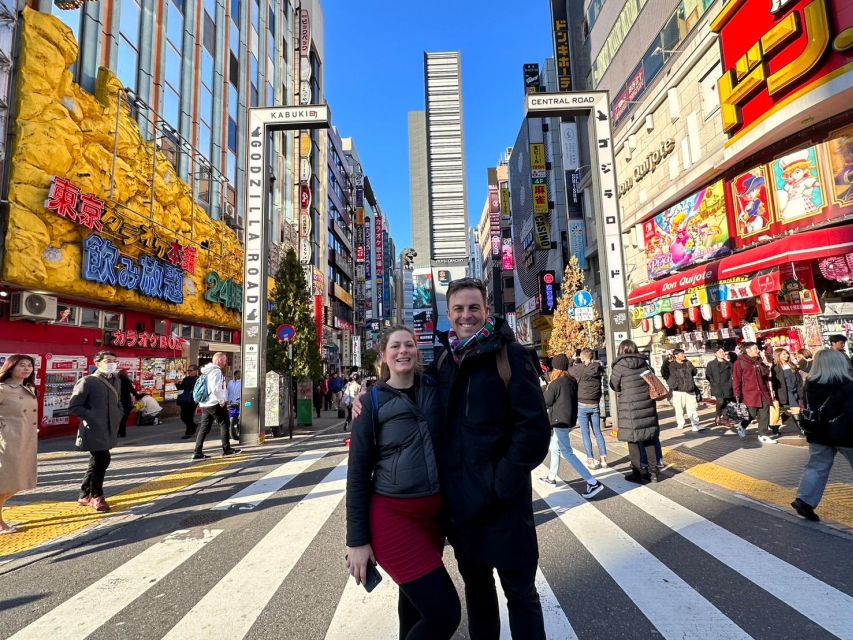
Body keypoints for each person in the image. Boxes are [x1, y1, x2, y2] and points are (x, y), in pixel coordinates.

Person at [432, 278, 550, 639]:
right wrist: (368, 403)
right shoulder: (444, 362)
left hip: (505, 508)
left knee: (521, 595)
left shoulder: (509, 354)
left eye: (473, 308)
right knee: (478, 594)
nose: (466, 315)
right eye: (459, 309)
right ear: (448, 315)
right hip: (464, 510)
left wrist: (501, 481)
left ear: (486, 311)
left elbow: (534, 430)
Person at [346, 326, 460, 640]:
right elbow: (357, 476)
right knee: (445, 613)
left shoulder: (434, 389)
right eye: (395, 346)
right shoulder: (371, 403)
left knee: (414, 606)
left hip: (432, 521)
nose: (403, 351)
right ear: (383, 355)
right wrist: (357, 541)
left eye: (409, 345)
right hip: (394, 519)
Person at [791, 349, 853, 522]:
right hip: (845, 434)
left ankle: (804, 500)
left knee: (817, 467)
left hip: (818, 432)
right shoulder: (847, 385)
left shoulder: (810, 384)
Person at [539, 354, 604, 499]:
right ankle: (551, 477)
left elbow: (546, 401)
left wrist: (544, 388)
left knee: (567, 452)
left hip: (559, 421)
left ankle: (592, 482)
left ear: (555, 367)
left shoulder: (556, 383)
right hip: (569, 420)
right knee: (554, 448)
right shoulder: (571, 380)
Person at [68, 351, 124, 512]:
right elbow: (74, 406)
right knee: (103, 459)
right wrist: (92, 417)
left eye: (115, 360)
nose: (112, 363)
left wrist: (119, 413)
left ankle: (84, 494)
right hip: (93, 428)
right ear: (97, 363)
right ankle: (97, 495)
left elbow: (118, 401)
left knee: (96, 461)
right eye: (108, 360)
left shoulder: (116, 380)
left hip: (110, 427)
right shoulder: (87, 381)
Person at [609, 340, 661, 483]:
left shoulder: (619, 365)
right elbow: (652, 378)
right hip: (646, 404)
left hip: (629, 407)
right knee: (648, 438)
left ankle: (638, 472)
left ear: (621, 350)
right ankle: (654, 472)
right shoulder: (644, 362)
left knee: (633, 440)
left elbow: (614, 385)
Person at [0, 354, 38, 533]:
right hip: (8, 441)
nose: (26, 368)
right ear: (10, 367)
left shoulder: (29, 388)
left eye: (29, 365)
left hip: (26, 440)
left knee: (18, 481)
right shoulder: (3, 388)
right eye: (21, 365)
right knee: (6, 482)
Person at [193, 353, 240, 460]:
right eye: (224, 360)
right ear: (218, 360)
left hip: (205, 403)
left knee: (204, 427)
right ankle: (227, 449)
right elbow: (215, 388)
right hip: (215, 402)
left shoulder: (206, 371)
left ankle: (197, 452)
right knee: (224, 424)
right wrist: (221, 400)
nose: (225, 363)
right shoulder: (216, 371)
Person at [569, 348, 607, 468]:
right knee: (597, 432)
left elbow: (568, 369)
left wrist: (572, 359)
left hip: (581, 404)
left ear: (582, 357)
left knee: (585, 433)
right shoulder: (598, 368)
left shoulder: (579, 369)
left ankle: (590, 459)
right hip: (595, 404)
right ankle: (603, 459)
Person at [732, 342, 776, 443]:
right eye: (755, 349)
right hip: (749, 394)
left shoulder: (759, 361)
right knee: (750, 414)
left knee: (764, 414)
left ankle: (762, 434)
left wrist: (764, 364)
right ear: (748, 350)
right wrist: (737, 394)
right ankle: (742, 426)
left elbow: (765, 375)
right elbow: (736, 380)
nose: (758, 350)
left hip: (763, 392)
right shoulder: (739, 362)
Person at [661, 349, 704, 432]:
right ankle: (680, 422)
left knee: (692, 408)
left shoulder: (687, 363)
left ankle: (695, 424)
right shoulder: (671, 365)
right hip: (677, 391)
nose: (684, 355)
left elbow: (694, 372)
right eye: (681, 354)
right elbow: (664, 372)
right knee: (679, 408)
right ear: (676, 355)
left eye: (684, 353)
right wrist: (666, 361)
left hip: (689, 389)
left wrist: (690, 365)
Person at [772, 348, 803, 435]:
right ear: (778, 356)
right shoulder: (776, 367)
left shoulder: (791, 365)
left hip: (795, 390)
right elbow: (775, 382)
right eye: (784, 354)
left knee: (789, 412)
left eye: (787, 354)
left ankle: (775, 426)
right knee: (796, 410)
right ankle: (802, 429)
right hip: (786, 392)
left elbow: (798, 379)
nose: (787, 356)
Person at [705, 347, 735, 427]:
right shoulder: (711, 364)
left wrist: (731, 384)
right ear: (715, 354)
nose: (722, 353)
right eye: (720, 352)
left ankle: (725, 419)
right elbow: (708, 374)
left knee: (726, 402)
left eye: (723, 352)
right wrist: (713, 382)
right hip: (717, 386)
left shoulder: (729, 364)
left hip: (727, 386)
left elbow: (733, 375)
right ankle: (718, 417)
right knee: (720, 401)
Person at [177, 365, 200, 439]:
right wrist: (177, 384)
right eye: (188, 370)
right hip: (185, 399)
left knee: (189, 416)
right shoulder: (186, 379)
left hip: (192, 400)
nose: (189, 372)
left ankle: (188, 432)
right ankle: (193, 426)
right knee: (183, 416)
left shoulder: (198, 379)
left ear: (196, 371)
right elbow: (181, 388)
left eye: (191, 370)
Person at [116, 369, 140, 438]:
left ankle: (117, 432)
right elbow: (132, 390)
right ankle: (122, 433)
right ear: (126, 374)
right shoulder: (127, 381)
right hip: (126, 401)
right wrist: (137, 396)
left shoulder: (117, 381)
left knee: (118, 418)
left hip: (118, 401)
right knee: (124, 418)